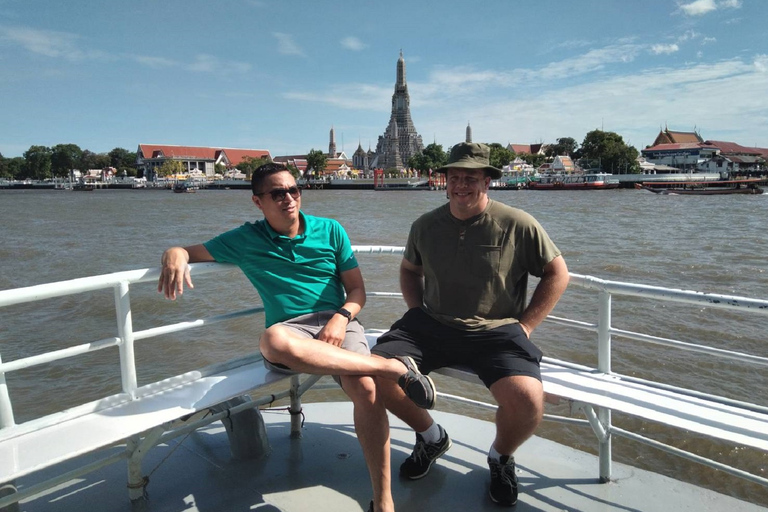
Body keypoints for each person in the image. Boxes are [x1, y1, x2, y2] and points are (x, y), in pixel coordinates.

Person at [157, 162, 436, 512]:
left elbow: (357, 291)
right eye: (277, 193)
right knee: (273, 340)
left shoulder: (331, 230)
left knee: (365, 388)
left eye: (294, 190)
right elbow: (188, 251)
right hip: (292, 332)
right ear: (258, 202)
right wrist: (173, 254)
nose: (288, 198)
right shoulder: (246, 239)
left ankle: (383, 501)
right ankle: (391, 368)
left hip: (340, 322)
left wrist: (340, 318)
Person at [371, 143, 569, 507]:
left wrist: (526, 326)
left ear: (487, 182)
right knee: (375, 373)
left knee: (528, 401)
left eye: (471, 178)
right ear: (444, 181)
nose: (461, 185)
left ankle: (500, 457)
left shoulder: (517, 223)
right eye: (455, 177)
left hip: (497, 330)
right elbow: (409, 270)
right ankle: (430, 437)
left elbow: (557, 273)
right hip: (431, 324)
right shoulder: (425, 225)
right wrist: (416, 311)